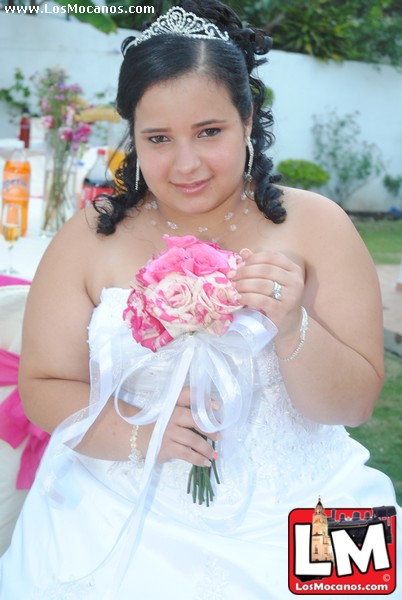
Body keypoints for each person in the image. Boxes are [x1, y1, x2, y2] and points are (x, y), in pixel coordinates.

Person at [0, 1, 400, 598]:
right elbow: (44, 384)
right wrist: (138, 436)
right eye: (158, 138)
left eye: (209, 132)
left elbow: (355, 406)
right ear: (132, 136)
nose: (185, 164)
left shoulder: (318, 225)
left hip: (305, 509)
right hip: (113, 509)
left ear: (247, 117)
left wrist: (292, 325)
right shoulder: (91, 236)